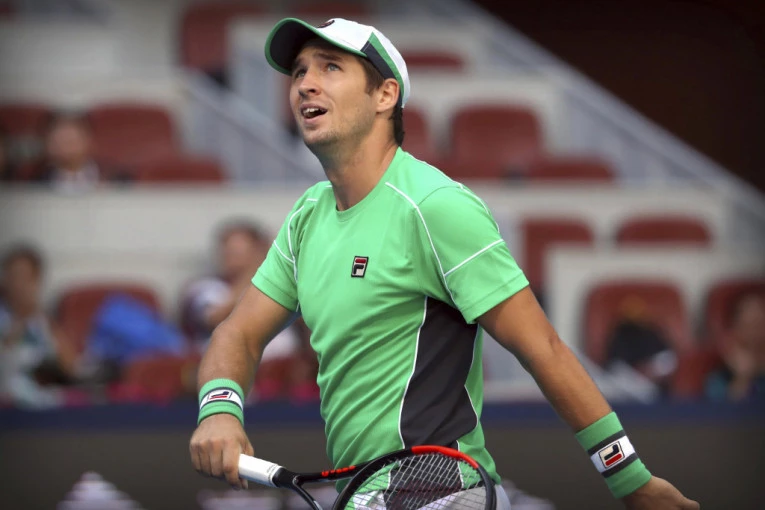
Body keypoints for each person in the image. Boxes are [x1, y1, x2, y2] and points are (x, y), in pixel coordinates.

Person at [189, 17, 698, 509]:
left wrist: (631, 480)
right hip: (365, 493)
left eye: (330, 67)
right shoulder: (307, 216)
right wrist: (219, 409)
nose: (305, 84)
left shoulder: (435, 206)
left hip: (441, 493)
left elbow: (543, 348)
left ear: (385, 95)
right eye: (299, 71)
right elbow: (238, 333)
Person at [181, 220, 316, 401]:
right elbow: (215, 318)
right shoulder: (205, 287)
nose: (231, 257)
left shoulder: (286, 286)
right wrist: (263, 269)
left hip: (284, 381)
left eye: (239, 252)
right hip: (227, 376)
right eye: (228, 251)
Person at [0, 245, 77, 408]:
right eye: (13, 276)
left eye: (26, 277)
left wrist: (42, 319)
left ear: (37, 281)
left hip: (48, 401)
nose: (19, 285)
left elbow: (70, 367)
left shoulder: (43, 318)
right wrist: (19, 321)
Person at [705, 291, 765, 401]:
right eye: (749, 326)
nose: (756, 335)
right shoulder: (719, 381)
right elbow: (726, 410)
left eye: (761, 325)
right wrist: (742, 378)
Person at [31, 112, 104, 193]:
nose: (65, 145)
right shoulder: (32, 181)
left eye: (72, 139)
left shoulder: (110, 177)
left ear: (88, 139)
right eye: (59, 139)